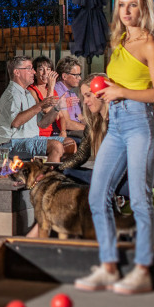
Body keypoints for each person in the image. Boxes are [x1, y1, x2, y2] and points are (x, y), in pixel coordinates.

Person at [74, 0, 154, 295]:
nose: (127, 11)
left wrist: (121, 91)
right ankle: (109, 266)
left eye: (133, 5)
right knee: (97, 195)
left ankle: (142, 270)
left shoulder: (150, 43)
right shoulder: (120, 41)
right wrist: (104, 89)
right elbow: (120, 81)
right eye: (122, 5)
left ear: (144, 8)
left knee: (140, 199)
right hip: (116, 124)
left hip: (141, 123)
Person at [27, 73, 109, 238]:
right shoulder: (93, 123)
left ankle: (38, 232)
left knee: (67, 176)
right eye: (83, 96)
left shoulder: (117, 119)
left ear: (102, 94)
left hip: (120, 177)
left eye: (88, 95)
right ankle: (50, 229)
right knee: (63, 176)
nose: (84, 101)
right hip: (106, 176)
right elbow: (80, 157)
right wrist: (54, 169)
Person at [0, 55, 64, 161]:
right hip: (11, 143)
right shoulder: (12, 94)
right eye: (29, 68)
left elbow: (42, 124)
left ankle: (55, 174)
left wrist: (57, 108)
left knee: (69, 143)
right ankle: (48, 177)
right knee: (56, 146)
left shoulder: (27, 94)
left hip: (31, 139)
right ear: (17, 72)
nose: (34, 72)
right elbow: (16, 122)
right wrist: (40, 105)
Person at [27, 56, 76, 155]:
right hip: (37, 135)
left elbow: (60, 115)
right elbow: (47, 111)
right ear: (35, 72)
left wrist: (63, 131)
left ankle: (63, 169)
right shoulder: (31, 90)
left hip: (50, 134)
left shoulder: (52, 91)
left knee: (72, 144)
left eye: (48, 69)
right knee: (57, 146)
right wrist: (51, 86)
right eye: (41, 69)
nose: (45, 73)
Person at [55, 55, 85, 132]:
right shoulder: (57, 91)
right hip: (67, 132)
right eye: (76, 75)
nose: (80, 78)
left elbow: (80, 117)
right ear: (64, 76)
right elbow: (66, 123)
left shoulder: (72, 93)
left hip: (76, 129)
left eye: (79, 75)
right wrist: (89, 129)